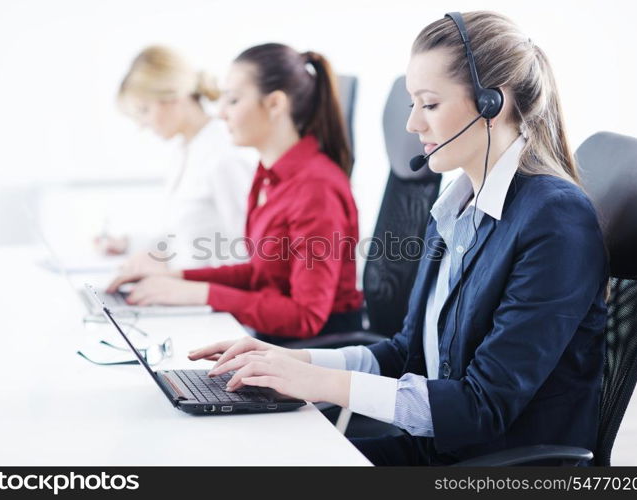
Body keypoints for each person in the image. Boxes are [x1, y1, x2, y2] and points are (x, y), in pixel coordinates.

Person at [186, 11, 609, 466]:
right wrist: (290, 362)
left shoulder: (554, 218)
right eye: (412, 104)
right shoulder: (457, 206)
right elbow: (405, 352)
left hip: (490, 464)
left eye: (428, 104)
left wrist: (315, 384)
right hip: (433, 450)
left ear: (492, 104)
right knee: (245, 456)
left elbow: (480, 408)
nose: (412, 124)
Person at [107, 43, 363, 340]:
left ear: (275, 104)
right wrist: (176, 278)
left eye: (233, 100)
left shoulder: (315, 188)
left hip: (314, 353)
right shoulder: (268, 176)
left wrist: (200, 293)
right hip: (274, 342)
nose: (221, 113)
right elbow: (259, 272)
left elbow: (306, 317)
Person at [96, 45, 256, 271]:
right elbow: (184, 238)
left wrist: (172, 274)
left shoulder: (224, 155)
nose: (143, 125)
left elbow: (246, 252)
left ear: (173, 97)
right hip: (184, 291)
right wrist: (129, 244)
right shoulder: (185, 149)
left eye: (144, 110)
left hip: (207, 297)